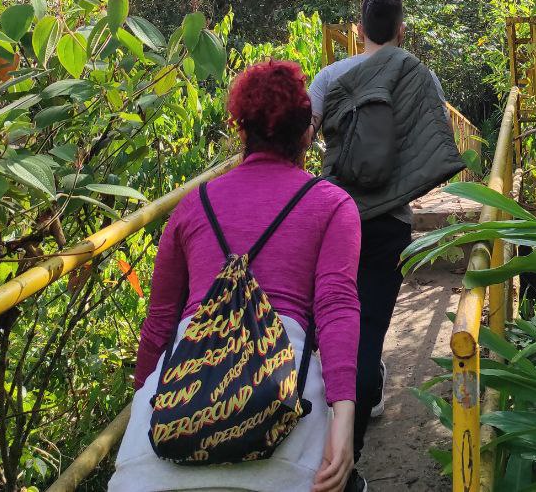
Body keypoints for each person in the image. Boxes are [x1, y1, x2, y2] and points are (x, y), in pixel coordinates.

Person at [110, 61, 361, 492]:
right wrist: (344, 420)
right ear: (308, 133)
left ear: (240, 131)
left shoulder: (192, 206)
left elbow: (158, 326)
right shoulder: (332, 205)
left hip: (161, 446)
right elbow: (337, 308)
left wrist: (142, 411)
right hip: (284, 426)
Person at [309, 0, 465, 492]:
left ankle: (316, 449)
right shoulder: (418, 73)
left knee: (328, 327)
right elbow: (434, 134)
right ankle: (348, 462)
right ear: (401, 29)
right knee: (370, 325)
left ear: (358, 29)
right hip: (391, 222)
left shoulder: (331, 77)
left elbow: (303, 134)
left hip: (334, 221)